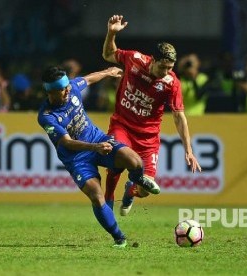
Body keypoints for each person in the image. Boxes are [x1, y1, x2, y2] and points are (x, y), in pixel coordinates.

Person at [37, 66, 160, 248]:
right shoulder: (47, 117)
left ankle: (133, 183)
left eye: (68, 87)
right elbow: (67, 143)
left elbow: (87, 79)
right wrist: (95, 148)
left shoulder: (71, 88)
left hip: (98, 139)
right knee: (96, 195)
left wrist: (107, 73)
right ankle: (119, 237)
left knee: (134, 161)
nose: (68, 90)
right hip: (77, 159)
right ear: (51, 92)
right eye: (63, 89)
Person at [102, 14, 202, 216]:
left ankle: (131, 190)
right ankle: (107, 200)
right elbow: (108, 54)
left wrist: (189, 151)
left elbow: (178, 116)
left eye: (170, 68)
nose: (166, 71)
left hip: (148, 138)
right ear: (153, 59)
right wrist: (111, 33)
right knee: (117, 161)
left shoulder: (171, 83)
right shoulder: (134, 59)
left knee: (147, 189)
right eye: (163, 66)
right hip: (123, 125)